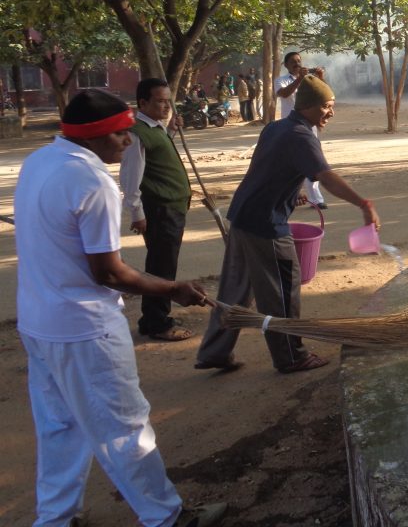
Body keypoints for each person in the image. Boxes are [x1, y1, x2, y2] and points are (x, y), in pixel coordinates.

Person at [15, 89, 225, 527]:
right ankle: (166, 517)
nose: (128, 142)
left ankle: (55, 519)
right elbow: (108, 273)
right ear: (94, 137)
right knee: (125, 427)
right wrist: (172, 289)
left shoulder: (39, 162)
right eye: (120, 134)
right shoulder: (94, 183)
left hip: (39, 323)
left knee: (58, 426)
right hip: (84, 328)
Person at [195, 75, 380, 373]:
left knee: (234, 290)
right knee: (282, 291)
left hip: (242, 215)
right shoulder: (301, 135)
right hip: (265, 226)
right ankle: (291, 356)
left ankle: (214, 351)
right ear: (308, 106)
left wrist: (290, 195)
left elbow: (268, 169)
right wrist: (364, 203)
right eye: (326, 107)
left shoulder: (277, 127)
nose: (331, 112)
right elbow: (327, 177)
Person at [120, 78, 194, 341]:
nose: (166, 107)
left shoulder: (155, 128)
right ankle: (157, 323)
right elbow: (131, 177)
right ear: (143, 103)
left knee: (163, 264)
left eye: (168, 101)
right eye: (160, 101)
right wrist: (137, 212)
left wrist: (171, 131)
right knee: (161, 267)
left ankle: (154, 318)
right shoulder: (136, 133)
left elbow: (158, 160)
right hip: (160, 209)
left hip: (172, 207)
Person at [275, 52, 327, 208]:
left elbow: (322, 95)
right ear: (286, 65)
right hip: (290, 127)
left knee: (312, 159)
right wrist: (299, 79)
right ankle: (288, 197)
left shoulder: (309, 80)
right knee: (289, 163)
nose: (297, 64)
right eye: (293, 62)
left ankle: (316, 200)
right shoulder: (281, 80)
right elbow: (284, 94)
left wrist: (320, 78)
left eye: (299, 61)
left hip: (309, 125)